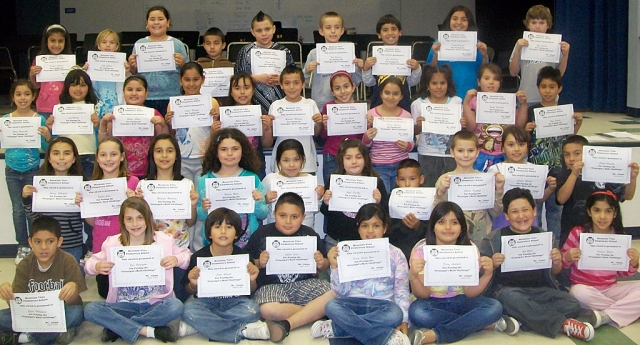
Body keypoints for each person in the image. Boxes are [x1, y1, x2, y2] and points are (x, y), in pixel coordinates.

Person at [480, 188, 598, 341]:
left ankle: (524, 319)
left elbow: (555, 272)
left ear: (534, 211)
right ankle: (563, 324)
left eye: (525, 210)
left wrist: (557, 261)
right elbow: (482, 272)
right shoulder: (493, 239)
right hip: (509, 291)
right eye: (515, 212)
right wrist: (492, 264)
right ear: (507, 216)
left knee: (572, 304)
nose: (521, 216)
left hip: (541, 290)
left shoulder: (544, 236)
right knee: (510, 298)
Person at [84, 197, 191, 343]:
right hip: (123, 305)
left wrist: (176, 259)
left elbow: (187, 256)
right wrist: (96, 266)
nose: (135, 224)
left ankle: (119, 326)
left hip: (156, 303)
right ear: (122, 221)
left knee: (176, 306)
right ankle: (148, 331)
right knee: (90, 310)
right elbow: (89, 264)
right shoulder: (113, 243)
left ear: (147, 219)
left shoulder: (163, 240)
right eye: (129, 219)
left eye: (140, 218)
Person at [409, 202, 517, 344]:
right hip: (432, 303)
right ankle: (481, 324)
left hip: (462, 300)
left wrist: (487, 274)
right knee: (417, 313)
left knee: (495, 307)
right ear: (433, 226)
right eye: (441, 222)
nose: (448, 227)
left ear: (461, 228)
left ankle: (436, 334)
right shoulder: (421, 250)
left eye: (454, 222)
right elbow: (423, 295)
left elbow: (470, 293)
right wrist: (414, 277)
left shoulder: (470, 249)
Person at [311, 203, 411, 345]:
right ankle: (385, 335)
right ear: (358, 228)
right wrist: (334, 266)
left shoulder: (396, 254)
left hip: (383, 306)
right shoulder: (348, 251)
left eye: (376, 225)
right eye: (364, 225)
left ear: (385, 228)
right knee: (331, 306)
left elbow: (402, 291)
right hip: (353, 305)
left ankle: (339, 329)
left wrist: (404, 320)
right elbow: (340, 292)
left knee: (396, 314)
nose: (370, 231)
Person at [245, 192, 333, 342]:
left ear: (303, 217)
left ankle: (290, 320)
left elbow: (324, 268)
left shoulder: (309, 234)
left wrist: (321, 262)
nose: (288, 221)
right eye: (282, 215)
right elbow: (248, 264)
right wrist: (259, 262)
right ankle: (315, 314)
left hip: (305, 284)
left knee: (333, 295)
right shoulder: (262, 233)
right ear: (274, 214)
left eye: (294, 217)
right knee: (267, 309)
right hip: (271, 285)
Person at [180, 208, 269, 342]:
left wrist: (251, 280)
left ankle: (202, 325)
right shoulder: (199, 257)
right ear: (209, 233)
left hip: (235, 301)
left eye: (229, 227)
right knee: (189, 310)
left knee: (253, 310)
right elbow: (188, 289)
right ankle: (241, 331)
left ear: (236, 234)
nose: (223, 231)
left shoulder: (244, 256)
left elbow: (251, 291)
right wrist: (193, 284)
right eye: (217, 227)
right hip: (206, 302)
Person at [0, 216, 87, 345]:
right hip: (33, 313)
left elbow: (74, 302)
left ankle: (25, 336)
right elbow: (17, 303)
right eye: (38, 242)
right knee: (2, 317)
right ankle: (53, 334)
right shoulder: (25, 264)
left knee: (77, 314)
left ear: (59, 242)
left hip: (59, 312)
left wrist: (72, 288)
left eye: (50, 241)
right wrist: (7, 294)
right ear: (30, 242)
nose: (44, 247)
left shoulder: (67, 260)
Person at [561, 191, 640, 328]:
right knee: (577, 293)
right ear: (589, 212)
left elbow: (623, 273)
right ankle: (626, 310)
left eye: (608, 211)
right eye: (597, 210)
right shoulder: (578, 232)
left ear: (614, 214)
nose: (602, 216)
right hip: (585, 289)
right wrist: (567, 257)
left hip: (611, 288)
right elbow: (562, 264)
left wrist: (633, 263)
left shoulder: (619, 236)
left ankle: (606, 315)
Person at [137, 134, 199, 302]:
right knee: (151, 297)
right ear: (152, 155)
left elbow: (191, 222)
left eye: (169, 151)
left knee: (178, 296)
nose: (164, 156)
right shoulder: (143, 186)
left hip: (178, 251)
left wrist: (192, 204)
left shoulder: (186, 184)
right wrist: (138, 202)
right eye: (159, 151)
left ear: (176, 155)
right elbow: (137, 224)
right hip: (151, 251)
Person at [524, 66, 583, 240]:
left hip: (559, 170)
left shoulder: (565, 112)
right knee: (535, 212)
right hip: (537, 170)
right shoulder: (531, 111)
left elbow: (570, 140)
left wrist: (577, 126)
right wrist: (527, 131)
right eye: (543, 86)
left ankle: (555, 250)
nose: (547, 91)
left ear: (559, 88)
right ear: (538, 87)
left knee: (555, 213)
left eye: (551, 87)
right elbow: (524, 143)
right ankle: (538, 246)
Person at [77, 137, 139, 298]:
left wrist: (134, 202)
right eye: (103, 155)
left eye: (113, 154)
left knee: (129, 292)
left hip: (128, 247)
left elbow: (140, 221)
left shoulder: (133, 182)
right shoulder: (92, 185)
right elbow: (93, 223)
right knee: (106, 293)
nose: (108, 159)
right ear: (97, 158)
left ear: (122, 156)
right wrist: (83, 207)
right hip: (102, 247)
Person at [556, 135, 639, 246]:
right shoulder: (564, 174)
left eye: (577, 153)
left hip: (605, 229)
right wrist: (574, 174)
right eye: (567, 155)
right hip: (573, 229)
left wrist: (632, 178)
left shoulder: (605, 172)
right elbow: (561, 199)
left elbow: (627, 196)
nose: (571, 158)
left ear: (587, 153)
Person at [3, 80, 51, 264]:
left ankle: (34, 245)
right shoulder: (6, 119)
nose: (23, 98)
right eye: (18, 94)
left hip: (32, 170)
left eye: (26, 94)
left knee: (32, 210)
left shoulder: (38, 119)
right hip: (12, 172)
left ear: (33, 96)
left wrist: (47, 136)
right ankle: (22, 245)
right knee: (17, 210)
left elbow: (46, 148)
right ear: (13, 97)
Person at [196, 128, 268, 249]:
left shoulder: (252, 178)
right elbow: (200, 216)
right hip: (214, 245)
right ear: (216, 152)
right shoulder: (204, 180)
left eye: (235, 149)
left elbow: (263, 214)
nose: (229, 154)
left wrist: (258, 202)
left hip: (247, 243)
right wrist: (203, 209)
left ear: (243, 151)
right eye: (224, 149)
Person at [432, 130, 504, 245]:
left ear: (477, 152)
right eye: (460, 151)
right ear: (452, 152)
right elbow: (436, 214)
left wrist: (499, 190)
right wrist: (441, 192)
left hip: (482, 238)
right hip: (454, 238)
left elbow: (496, 212)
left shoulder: (485, 179)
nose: (465, 155)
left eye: (470, 150)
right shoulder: (444, 179)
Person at [22, 137, 85, 263]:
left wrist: (83, 206)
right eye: (56, 153)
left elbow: (89, 221)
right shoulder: (40, 184)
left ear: (73, 159)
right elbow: (34, 216)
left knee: (73, 279)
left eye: (67, 153)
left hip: (72, 244)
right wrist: (26, 199)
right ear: (49, 159)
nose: (61, 158)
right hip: (46, 245)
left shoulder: (82, 185)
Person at [320, 139, 389, 249]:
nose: (354, 162)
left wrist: (379, 202)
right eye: (348, 158)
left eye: (358, 157)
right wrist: (326, 202)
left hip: (367, 242)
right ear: (341, 160)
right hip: (337, 241)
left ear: (365, 159)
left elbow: (385, 214)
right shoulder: (333, 181)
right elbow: (325, 212)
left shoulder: (375, 182)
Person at [98, 75, 170, 178]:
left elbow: (163, 141)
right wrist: (103, 124)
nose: (134, 93)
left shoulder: (154, 114)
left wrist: (162, 124)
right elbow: (104, 143)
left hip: (147, 170)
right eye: (129, 89)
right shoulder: (115, 115)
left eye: (139, 90)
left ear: (146, 93)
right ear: (123, 92)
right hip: (120, 171)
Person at [463, 63, 528, 172]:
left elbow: (519, 126)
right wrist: (466, 103)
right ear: (479, 81)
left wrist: (524, 104)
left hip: (504, 154)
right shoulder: (473, 101)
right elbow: (471, 127)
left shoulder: (508, 101)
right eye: (486, 78)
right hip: (481, 153)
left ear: (500, 83)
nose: (491, 82)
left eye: (496, 79)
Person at [487, 126, 556, 229]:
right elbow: (492, 203)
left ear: (527, 147)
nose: (516, 149)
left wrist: (550, 189)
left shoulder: (534, 169)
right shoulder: (495, 170)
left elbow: (537, 200)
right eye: (511, 145)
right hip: (503, 220)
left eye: (521, 144)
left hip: (528, 220)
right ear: (502, 148)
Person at [164, 62, 220, 184]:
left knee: (203, 192)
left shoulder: (212, 103)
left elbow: (215, 133)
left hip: (204, 156)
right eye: (187, 80)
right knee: (186, 193)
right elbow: (173, 134)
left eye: (196, 79)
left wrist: (215, 120)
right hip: (182, 156)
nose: (191, 84)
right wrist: (169, 123)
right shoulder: (173, 104)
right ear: (180, 80)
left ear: (203, 79)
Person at [127, 5, 189, 115]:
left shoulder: (177, 44)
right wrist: (132, 67)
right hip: (145, 97)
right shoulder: (140, 44)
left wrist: (182, 64)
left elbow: (188, 73)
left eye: (160, 19)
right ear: (146, 23)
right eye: (152, 19)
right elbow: (134, 74)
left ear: (168, 22)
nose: (156, 22)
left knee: (170, 131)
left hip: (172, 96)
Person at [214, 72, 275, 179]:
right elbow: (216, 144)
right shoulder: (224, 115)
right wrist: (213, 131)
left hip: (255, 165)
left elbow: (266, 144)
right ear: (231, 93)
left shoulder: (260, 113)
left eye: (246, 87)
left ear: (253, 91)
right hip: (229, 165)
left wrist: (267, 129)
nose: (242, 92)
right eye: (237, 88)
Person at [264, 65, 322, 175]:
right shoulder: (276, 105)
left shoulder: (310, 104)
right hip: (282, 161)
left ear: (303, 84)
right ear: (281, 85)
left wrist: (319, 123)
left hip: (306, 161)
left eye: (296, 83)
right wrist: (268, 126)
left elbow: (316, 133)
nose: (291, 87)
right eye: (287, 83)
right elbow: (271, 138)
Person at [411, 65, 464, 186]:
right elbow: (414, 132)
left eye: (442, 83)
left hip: (451, 154)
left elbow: (460, 130)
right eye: (434, 83)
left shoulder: (456, 101)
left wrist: (463, 124)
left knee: (451, 188)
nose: (439, 87)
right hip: (427, 154)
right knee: (429, 187)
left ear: (448, 84)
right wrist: (419, 125)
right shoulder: (418, 104)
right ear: (427, 85)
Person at [234, 11, 295, 114]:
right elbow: (237, 79)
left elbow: (294, 76)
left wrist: (282, 79)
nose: (264, 34)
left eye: (267, 29)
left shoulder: (283, 51)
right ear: (252, 32)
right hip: (252, 104)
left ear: (274, 29)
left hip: (281, 105)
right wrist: (257, 78)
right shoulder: (245, 51)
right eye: (259, 30)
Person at [509, 5, 570, 106]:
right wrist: (517, 51)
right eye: (533, 22)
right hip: (526, 97)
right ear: (528, 24)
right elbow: (513, 72)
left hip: (549, 98)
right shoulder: (521, 44)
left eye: (541, 23)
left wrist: (566, 55)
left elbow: (559, 74)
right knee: (527, 122)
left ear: (548, 25)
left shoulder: (555, 45)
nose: (537, 27)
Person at [46, 69, 101, 180]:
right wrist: (51, 128)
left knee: (87, 190)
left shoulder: (96, 107)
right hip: (66, 158)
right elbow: (55, 138)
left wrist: (97, 125)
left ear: (89, 87)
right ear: (67, 87)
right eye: (74, 85)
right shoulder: (59, 108)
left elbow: (103, 135)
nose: (78, 89)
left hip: (88, 155)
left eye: (83, 85)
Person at [363, 77, 414, 192]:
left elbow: (411, 143)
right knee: (383, 199)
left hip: (402, 165)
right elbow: (365, 144)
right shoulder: (371, 114)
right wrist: (367, 137)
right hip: (378, 165)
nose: (391, 97)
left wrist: (407, 146)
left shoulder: (406, 115)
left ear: (401, 96)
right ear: (381, 94)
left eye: (395, 94)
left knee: (400, 198)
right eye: (387, 93)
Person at [303, 12, 363, 109]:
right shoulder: (314, 54)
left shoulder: (348, 52)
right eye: (328, 27)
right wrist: (307, 71)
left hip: (345, 104)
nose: (333, 31)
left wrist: (360, 68)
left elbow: (356, 81)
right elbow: (306, 84)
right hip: (320, 105)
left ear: (342, 30)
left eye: (337, 27)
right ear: (321, 31)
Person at [362, 14, 421, 112]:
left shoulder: (406, 55)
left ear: (400, 32)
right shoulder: (374, 56)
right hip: (379, 104)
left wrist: (417, 69)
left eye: (393, 29)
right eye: (385, 30)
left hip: (403, 105)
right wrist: (366, 69)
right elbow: (370, 83)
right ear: (379, 35)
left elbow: (411, 82)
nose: (390, 33)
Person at [427, 6, 487, 98]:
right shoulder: (439, 43)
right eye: (455, 19)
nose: (459, 23)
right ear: (449, 21)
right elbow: (430, 71)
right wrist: (435, 55)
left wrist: (484, 56)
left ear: (469, 22)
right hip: (444, 94)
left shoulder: (477, 44)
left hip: (469, 91)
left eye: (464, 19)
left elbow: (484, 71)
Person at [263, 139, 324, 228]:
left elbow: (315, 209)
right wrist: (265, 200)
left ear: (303, 160)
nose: (291, 165)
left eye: (296, 160)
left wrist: (319, 198)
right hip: (276, 233)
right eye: (286, 160)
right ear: (279, 161)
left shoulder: (310, 180)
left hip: (305, 231)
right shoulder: (270, 179)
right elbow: (259, 209)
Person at [319, 71, 363, 184]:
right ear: (332, 92)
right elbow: (323, 137)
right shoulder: (327, 107)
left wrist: (366, 126)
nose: (343, 91)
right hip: (332, 154)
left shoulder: (359, 107)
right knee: (331, 189)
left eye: (346, 86)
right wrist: (324, 126)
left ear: (353, 87)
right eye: (337, 88)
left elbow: (361, 139)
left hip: (353, 156)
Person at [29, 24, 74, 118]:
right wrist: (32, 75)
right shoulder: (39, 61)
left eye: (60, 41)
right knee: (46, 132)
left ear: (65, 42)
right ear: (46, 41)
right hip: (44, 106)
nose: (56, 45)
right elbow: (36, 86)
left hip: (66, 105)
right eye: (52, 40)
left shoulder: (70, 61)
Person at [388, 158, 428, 261]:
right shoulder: (389, 200)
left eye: (412, 179)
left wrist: (418, 226)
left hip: (423, 252)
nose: (407, 184)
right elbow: (386, 230)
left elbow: (434, 230)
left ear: (421, 179)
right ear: (397, 181)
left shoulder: (430, 200)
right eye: (402, 179)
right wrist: (402, 225)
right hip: (397, 250)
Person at [82, 29, 131, 114]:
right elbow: (85, 84)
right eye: (104, 42)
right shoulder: (91, 63)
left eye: (112, 42)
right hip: (97, 107)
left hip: (116, 106)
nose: (108, 45)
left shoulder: (122, 63)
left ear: (117, 46)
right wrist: (84, 72)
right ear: (98, 46)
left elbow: (129, 84)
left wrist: (127, 72)